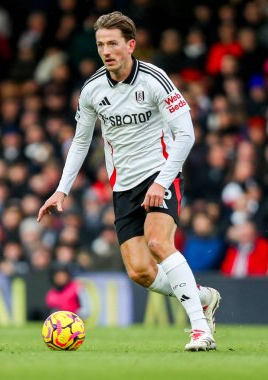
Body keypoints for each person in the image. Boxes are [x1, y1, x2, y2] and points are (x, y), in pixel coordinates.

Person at [37, 11, 220, 351]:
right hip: (123, 186)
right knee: (140, 272)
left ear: (130, 45)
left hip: (160, 174)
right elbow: (80, 141)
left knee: (158, 243)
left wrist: (162, 181)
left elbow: (186, 134)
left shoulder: (155, 80)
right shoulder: (92, 89)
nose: (106, 51)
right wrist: (61, 188)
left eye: (112, 44)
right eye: (100, 44)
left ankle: (200, 330)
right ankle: (202, 298)